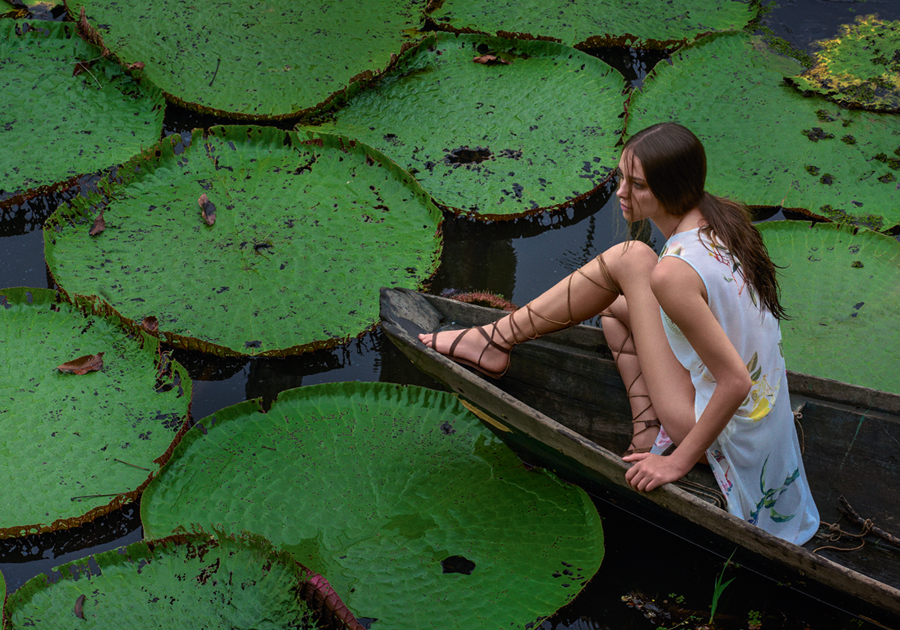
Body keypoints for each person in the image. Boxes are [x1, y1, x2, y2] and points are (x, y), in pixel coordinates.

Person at [419, 122, 819, 545]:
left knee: (631, 258)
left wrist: (676, 464)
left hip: (717, 430)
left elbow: (735, 381)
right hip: (759, 420)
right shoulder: (724, 220)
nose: (621, 193)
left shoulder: (673, 274)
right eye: (622, 178)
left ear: (673, 188)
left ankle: (495, 340)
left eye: (638, 185)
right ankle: (645, 428)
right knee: (614, 309)